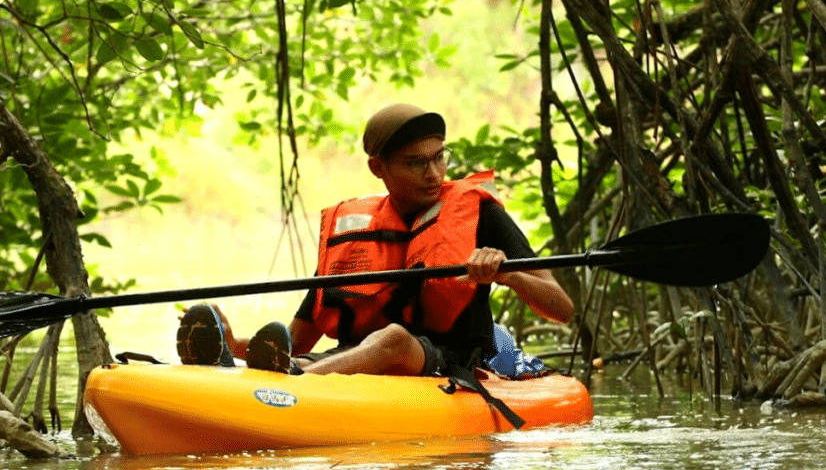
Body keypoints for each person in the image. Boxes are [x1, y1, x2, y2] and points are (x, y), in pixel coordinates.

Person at [177, 103, 575, 378]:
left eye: (439, 157)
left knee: (394, 339)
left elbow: (563, 309)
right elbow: (297, 340)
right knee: (353, 347)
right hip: (346, 363)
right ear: (378, 168)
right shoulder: (355, 231)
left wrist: (509, 275)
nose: (434, 173)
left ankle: (293, 382)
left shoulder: (481, 214)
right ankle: (227, 362)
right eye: (416, 163)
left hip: (448, 363)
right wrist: (239, 343)